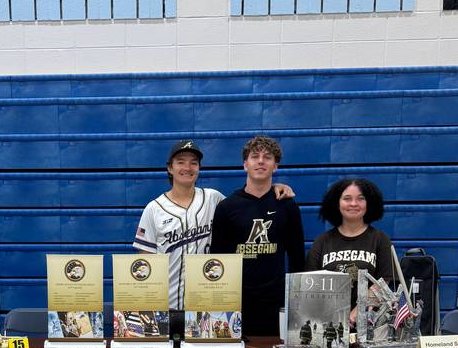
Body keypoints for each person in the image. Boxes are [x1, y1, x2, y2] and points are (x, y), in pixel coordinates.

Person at [133, 139, 294, 336]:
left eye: (193, 162)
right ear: (170, 168)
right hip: (164, 308)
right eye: (181, 162)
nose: (187, 167)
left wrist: (274, 186)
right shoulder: (153, 209)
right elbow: (145, 264)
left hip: (205, 308)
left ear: (199, 168)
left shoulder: (214, 199)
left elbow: (249, 206)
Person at [210, 135, 305, 336]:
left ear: (275, 166)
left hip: (276, 301)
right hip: (237, 301)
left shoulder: (287, 205)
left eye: (267, 157)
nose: (261, 161)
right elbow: (218, 259)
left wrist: (297, 301)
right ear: (245, 165)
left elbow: (297, 257)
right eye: (255, 156)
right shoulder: (227, 207)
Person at [304, 177, 393, 326]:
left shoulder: (380, 239)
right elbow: (311, 283)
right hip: (327, 324)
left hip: (368, 326)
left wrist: (357, 311)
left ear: (369, 203)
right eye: (347, 198)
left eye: (360, 199)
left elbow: (383, 283)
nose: (353, 204)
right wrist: (331, 318)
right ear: (336, 204)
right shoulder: (322, 241)